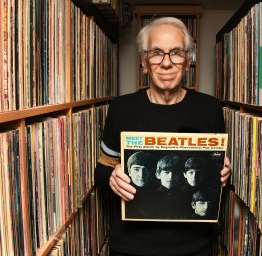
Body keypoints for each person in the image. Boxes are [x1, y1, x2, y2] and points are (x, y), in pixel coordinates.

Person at [94, 16, 231, 256]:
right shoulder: (121, 108)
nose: (166, 63)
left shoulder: (210, 109)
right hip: (130, 248)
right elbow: (102, 170)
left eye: (176, 52)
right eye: (156, 52)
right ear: (144, 62)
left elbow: (216, 173)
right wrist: (112, 177)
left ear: (187, 61)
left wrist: (222, 171)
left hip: (194, 248)